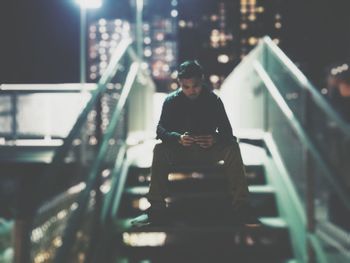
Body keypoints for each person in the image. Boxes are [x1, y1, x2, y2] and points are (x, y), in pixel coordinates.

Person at [139, 60, 259, 227]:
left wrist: (215, 139)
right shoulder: (171, 101)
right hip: (181, 150)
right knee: (160, 149)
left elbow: (228, 133)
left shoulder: (213, 100)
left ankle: (242, 207)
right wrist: (177, 138)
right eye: (185, 87)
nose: (191, 91)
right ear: (180, 84)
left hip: (208, 151)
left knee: (233, 148)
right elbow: (160, 130)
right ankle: (156, 207)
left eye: (195, 86)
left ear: (202, 81)